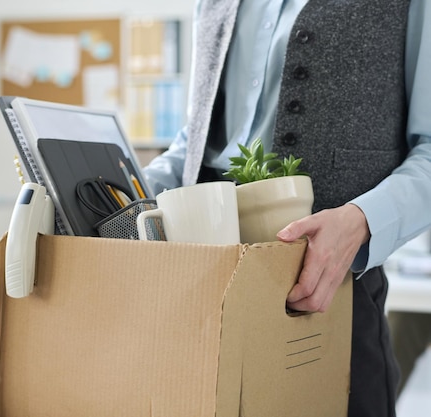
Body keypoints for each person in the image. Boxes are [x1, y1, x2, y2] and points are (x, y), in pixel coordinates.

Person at [143, 1, 431, 416]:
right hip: (197, 294)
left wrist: (362, 220)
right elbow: (197, 139)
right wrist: (115, 190)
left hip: (327, 292)